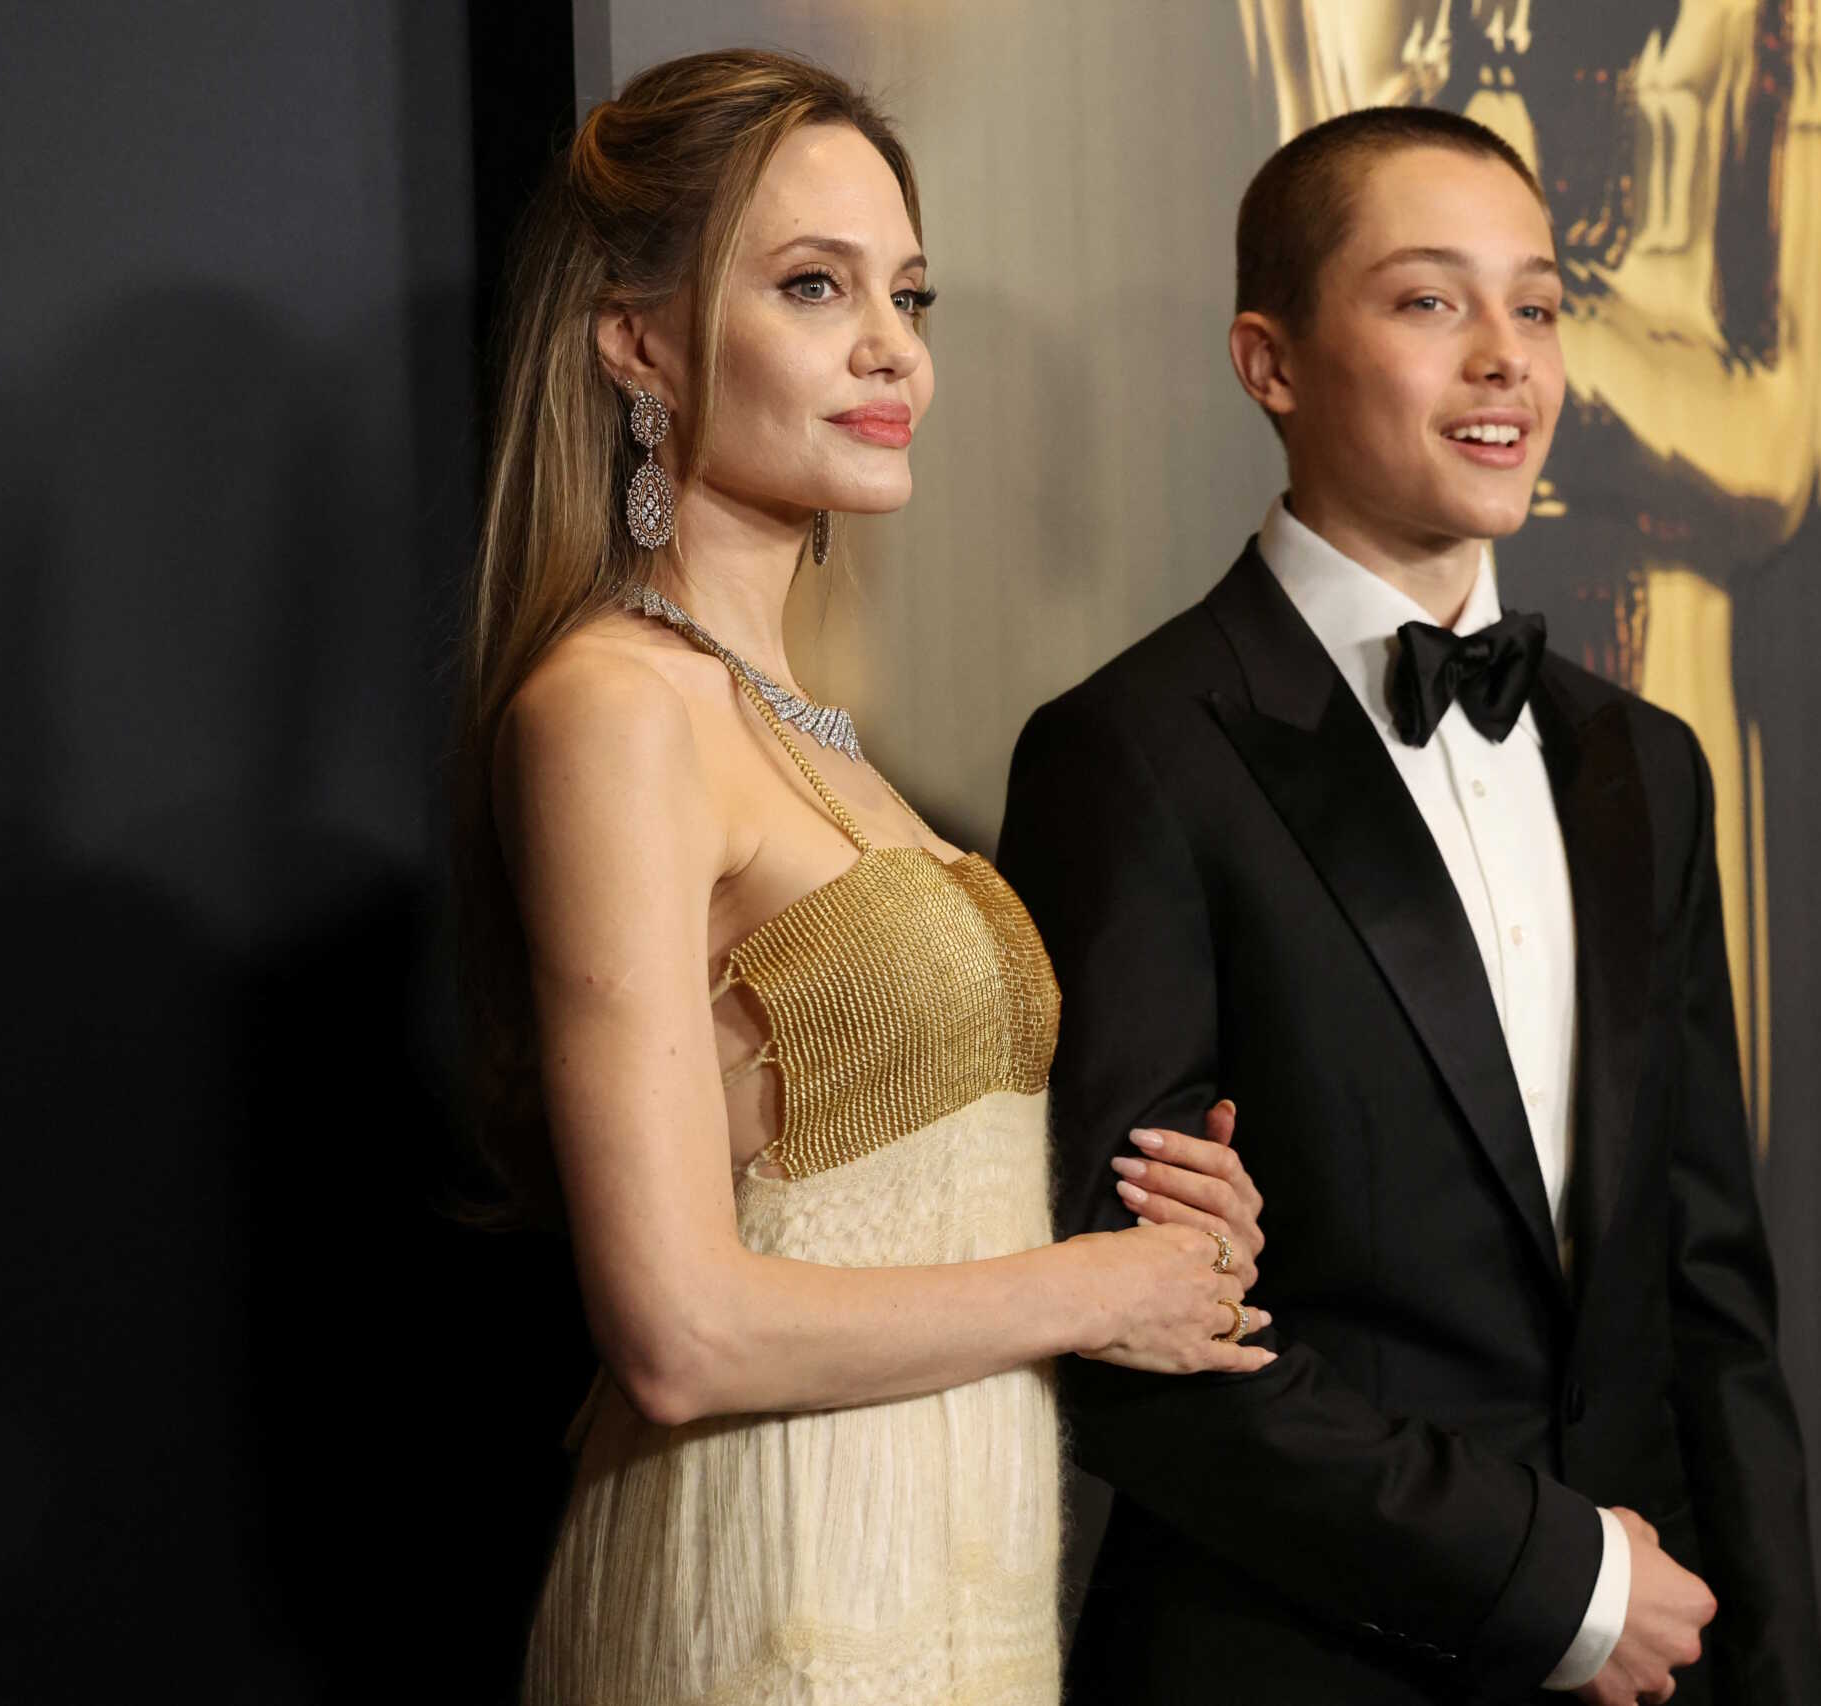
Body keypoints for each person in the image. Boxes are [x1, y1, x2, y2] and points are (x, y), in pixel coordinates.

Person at [451, 50, 1274, 1706]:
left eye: (909, 292)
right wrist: (1085, 1286)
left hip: (959, 1566)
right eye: (814, 287)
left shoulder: (825, 737)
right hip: (772, 1585)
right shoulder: (612, 706)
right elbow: (677, 1331)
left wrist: (1168, 1237)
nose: (892, 344)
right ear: (639, 341)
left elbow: (881, 1196)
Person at [998, 108, 1821, 1706]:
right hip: (1294, 1662)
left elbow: (1710, 1305)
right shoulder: (1136, 753)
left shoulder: (1645, 764)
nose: (1506, 359)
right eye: (1431, 301)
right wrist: (1566, 1582)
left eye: (1537, 305)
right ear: (1271, 359)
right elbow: (1142, 1341)